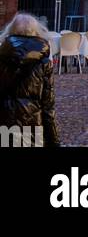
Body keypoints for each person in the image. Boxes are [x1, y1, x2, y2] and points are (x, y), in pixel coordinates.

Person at [0, 13, 61, 146]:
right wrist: (54, 140)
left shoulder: (2, 58)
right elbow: (48, 105)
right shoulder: (44, 62)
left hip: (6, 123)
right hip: (33, 124)